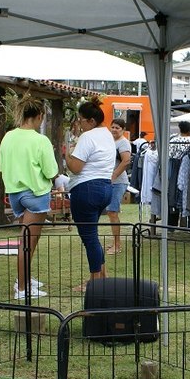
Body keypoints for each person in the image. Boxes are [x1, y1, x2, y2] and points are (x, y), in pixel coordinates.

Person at [0, 93, 58, 300]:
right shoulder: (40, 140)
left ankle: (24, 280)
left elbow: (1, 167)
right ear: (39, 115)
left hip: (14, 192)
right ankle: (22, 288)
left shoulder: (8, 137)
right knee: (28, 242)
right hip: (35, 193)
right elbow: (51, 171)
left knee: (26, 239)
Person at [66, 97, 115, 291]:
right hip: (105, 188)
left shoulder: (88, 137)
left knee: (90, 238)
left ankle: (94, 282)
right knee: (92, 235)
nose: (79, 124)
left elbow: (76, 167)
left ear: (91, 121)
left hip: (85, 190)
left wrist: (67, 156)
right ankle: (102, 275)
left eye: (81, 120)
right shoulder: (107, 135)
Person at [105, 118, 132, 255]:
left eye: (117, 128)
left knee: (112, 211)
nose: (114, 129)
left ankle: (117, 245)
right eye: (113, 127)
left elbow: (126, 161)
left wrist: (114, 175)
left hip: (118, 181)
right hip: (110, 181)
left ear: (123, 129)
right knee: (110, 212)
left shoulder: (124, 143)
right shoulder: (111, 141)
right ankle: (114, 242)